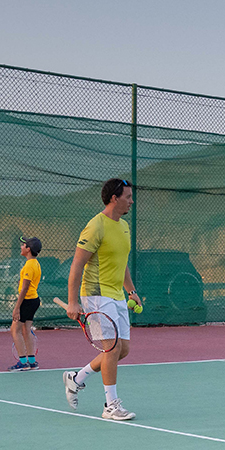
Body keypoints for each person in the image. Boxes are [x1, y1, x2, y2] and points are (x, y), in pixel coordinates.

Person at [62, 178, 143, 420]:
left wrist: (131, 291)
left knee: (122, 350)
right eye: (127, 197)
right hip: (96, 295)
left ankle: (77, 378)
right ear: (113, 198)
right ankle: (110, 405)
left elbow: (121, 262)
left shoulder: (124, 226)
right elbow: (77, 265)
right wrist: (73, 301)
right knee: (111, 347)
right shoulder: (95, 226)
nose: (131, 201)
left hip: (117, 295)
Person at [9, 236, 43, 372]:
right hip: (33, 300)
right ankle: (32, 361)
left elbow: (25, 288)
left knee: (15, 330)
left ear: (28, 249)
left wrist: (17, 308)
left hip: (27, 300)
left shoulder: (29, 265)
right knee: (26, 330)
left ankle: (23, 362)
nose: (21, 247)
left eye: (23, 245)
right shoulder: (36, 263)